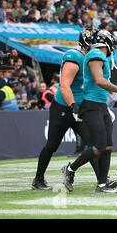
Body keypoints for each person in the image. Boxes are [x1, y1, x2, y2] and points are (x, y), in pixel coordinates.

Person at [62, 30, 117, 194]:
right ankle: (71, 169)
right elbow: (99, 80)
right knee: (99, 146)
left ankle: (102, 185)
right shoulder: (95, 54)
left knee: (107, 146)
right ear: (107, 43)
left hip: (100, 105)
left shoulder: (100, 56)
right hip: (92, 105)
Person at [33, 30, 98, 190]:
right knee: (52, 145)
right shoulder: (74, 57)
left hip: (79, 107)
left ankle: (102, 180)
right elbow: (64, 85)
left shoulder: (92, 59)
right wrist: (73, 106)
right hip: (64, 107)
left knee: (94, 144)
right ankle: (38, 179)